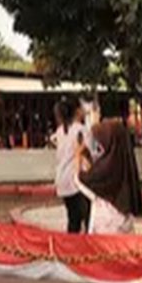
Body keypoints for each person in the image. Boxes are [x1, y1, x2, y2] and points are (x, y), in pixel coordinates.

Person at [78, 118, 142, 234]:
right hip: (124, 219)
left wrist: (77, 156)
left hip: (106, 223)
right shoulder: (122, 160)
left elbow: (81, 181)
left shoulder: (104, 168)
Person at [51, 99, 90, 233]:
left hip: (63, 180)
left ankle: (71, 248)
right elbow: (92, 150)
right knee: (88, 216)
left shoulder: (60, 131)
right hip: (77, 180)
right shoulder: (80, 129)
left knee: (73, 218)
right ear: (77, 111)